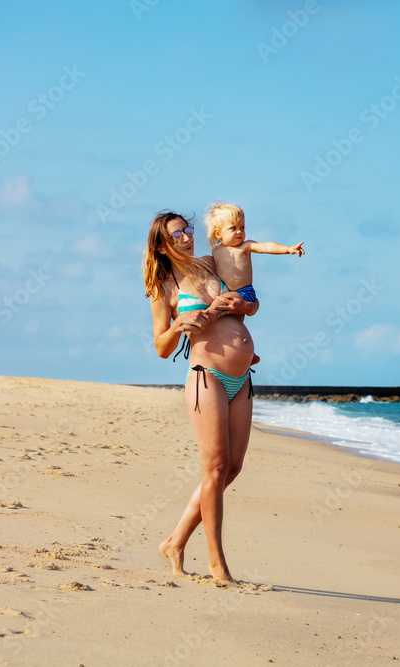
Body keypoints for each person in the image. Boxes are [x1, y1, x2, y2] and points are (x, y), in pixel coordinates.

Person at [142, 210, 259, 583]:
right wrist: (179, 323)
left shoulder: (212, 263)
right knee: (214, 469)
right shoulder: (164, 287)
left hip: (242, 379)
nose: (187, 238)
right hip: (205, 377)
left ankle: (175, 541)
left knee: (231, 469)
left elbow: (251, 301)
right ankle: (216, 563)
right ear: (161, 246)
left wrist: (244, 305)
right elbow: (161, 346)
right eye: (177, 235)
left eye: (189, 230)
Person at [204, 201, 304, 309]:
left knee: (218, 304)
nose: (239, 231)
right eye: (233, 228)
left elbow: (267, 247)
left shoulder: (246, 246)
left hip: (244, 293)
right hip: (226, 291)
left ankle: (207, 317)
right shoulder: (216, 251)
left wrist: (288, 249)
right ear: (218, 233)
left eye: (242, 227)